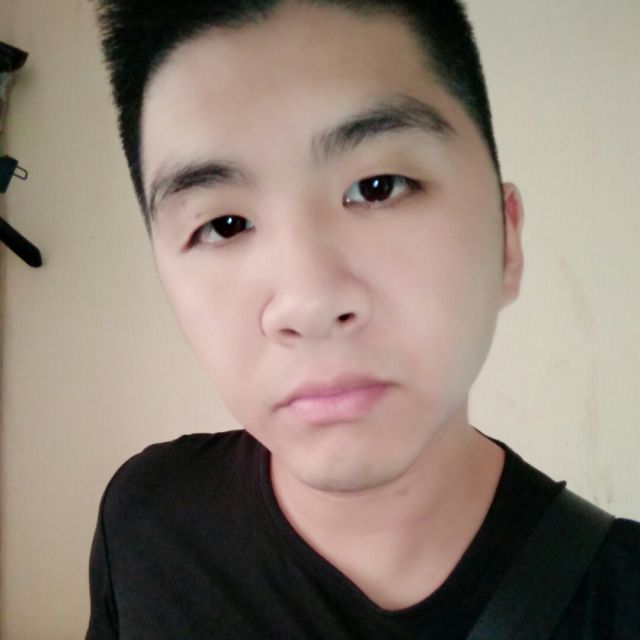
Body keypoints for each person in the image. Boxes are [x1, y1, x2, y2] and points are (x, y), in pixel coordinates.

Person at [86, 1, 640, 638]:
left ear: (505, 241)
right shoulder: (146, 524)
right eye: (224, 225)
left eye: (379, 187)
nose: (310, 304)